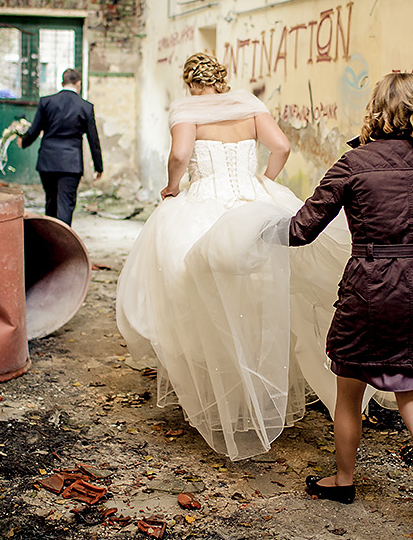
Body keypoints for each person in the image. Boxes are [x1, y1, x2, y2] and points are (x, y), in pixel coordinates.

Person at [116, 52, 352, 460]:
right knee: (266, 291)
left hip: (206, 200)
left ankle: (217, 386)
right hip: (252, 199)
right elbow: (281, 146)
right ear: (221, 79)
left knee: (186, 286)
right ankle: (258, 390)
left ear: (190, 82)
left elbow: (179, 155)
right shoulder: (249, 104)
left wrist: (173, 187)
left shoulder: (187, 107)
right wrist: (264, 182)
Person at [287, 72, 413, 540]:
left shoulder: (353, 163)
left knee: (348, 392)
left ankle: (343, 480)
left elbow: (301, 230)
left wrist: (259, 225)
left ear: (374, 110)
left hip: (368, 292)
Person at [19, 68, 103, 226]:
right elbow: (93, 139)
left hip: (47, 161)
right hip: (71, 164)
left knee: (51, 201)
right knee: (66, 204)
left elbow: (35, 129)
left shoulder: (46, 102)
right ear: (78, 83)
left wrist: (24, 142)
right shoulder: (85, 107)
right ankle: (63, 244)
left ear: (62, 82)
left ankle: (50, 243)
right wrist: (98, 166)